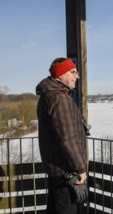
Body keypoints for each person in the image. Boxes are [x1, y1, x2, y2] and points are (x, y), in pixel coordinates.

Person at [36, 58, 89, 214]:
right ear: (60, 75)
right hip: (66, 172)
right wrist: (80, 168)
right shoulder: (60, 99)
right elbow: (68, 138)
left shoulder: (47, 97)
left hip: (56, 171)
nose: (77, 77)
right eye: (73, 72)